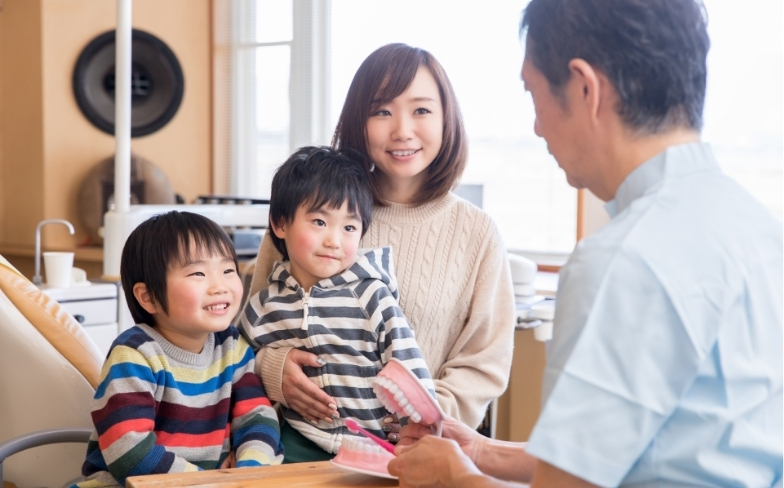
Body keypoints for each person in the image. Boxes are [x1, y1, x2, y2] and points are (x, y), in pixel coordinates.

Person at [387, 0, 783, 486]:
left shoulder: (620, 261)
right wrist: (485, 453)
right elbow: (666, 443)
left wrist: (455, 479)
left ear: (583, 88)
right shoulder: (755, 225)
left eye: (533, 96)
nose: (537, 127)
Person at [247, 43, 515, 437]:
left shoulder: (477, 233)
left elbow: (482, 365)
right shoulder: (311, 211)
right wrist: (271, 369)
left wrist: (423, 419)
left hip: (415, 453)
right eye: (381, 111)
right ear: (359, 119)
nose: (402, 130)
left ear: (446, 119)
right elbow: (250, 329)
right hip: (297, 446)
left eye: (421, 110)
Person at [239, 145, 435, 463]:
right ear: (280, 224)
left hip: (373, 443)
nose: (334, 240)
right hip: (297, 437)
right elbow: (236, 365)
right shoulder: (263, 307)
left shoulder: (372, 296)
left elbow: (408, 364)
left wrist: (422, 427)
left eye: (349, 227)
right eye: (319, 222)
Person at [74, 211, 284, 487]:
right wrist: (209, 481)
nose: (219, 286)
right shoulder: (135, 355)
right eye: (198, 273)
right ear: (148, 297)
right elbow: (130, 453)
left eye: (227, 270)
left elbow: (257, 417)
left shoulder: (232, 346)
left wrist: (247, 471)